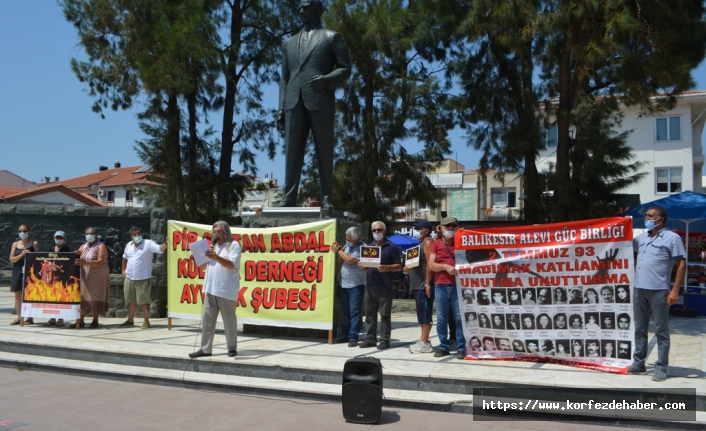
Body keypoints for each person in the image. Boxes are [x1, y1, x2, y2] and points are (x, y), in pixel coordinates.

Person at [275, 0, 351, 207]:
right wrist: (281, 108)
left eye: (306, 7)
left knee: (324, 152)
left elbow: (345, 68)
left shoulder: (331, 37)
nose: (301, 10)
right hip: (293, 102)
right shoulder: (288, 44)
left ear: (317, 10)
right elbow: (284, 78)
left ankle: (327, 198)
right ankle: (289, 197)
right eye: (299, 7)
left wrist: (327, 80)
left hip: (320, 100)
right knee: (292, 153)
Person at [629, 205, 686, 381]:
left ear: (660, 219)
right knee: (640, 329)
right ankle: (639, 362)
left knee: (661, 330)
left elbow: (682, 263)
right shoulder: (641, 239)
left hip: (659, 290)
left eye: (650, 216)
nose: (646, 218)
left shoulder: (672, 238)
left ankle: (661, 366)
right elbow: (622, 247)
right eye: (646, 215)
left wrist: (675, 290)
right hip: (639, 289)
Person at [189, 221, 242, 359]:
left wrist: (216, 257)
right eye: (214, 232)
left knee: (229, 320)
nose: (216, 234)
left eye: (219, 232)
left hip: (226, 289)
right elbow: (203, 267)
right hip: (210, 288)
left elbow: (231, 265)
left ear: (226, 233)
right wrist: (199, 257)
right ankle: (205, 349)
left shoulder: (234, 245)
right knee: (207, 319)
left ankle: (232, 348)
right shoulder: (212, 247)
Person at [359, 221, 401, 350]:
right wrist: (363, 266)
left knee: (385, 315)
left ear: (384, 231)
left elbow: (399, 265)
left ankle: (384, 339)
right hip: (370, 284)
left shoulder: (392, 246)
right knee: (370, 315)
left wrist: (387, 267)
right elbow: (367, 266)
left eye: (379, 230)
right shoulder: (369, 247)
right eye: (374, 230)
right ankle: (370, 339)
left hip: (385, 286)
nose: (377, 232)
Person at [428, 217, 465, 359]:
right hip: (441, 285)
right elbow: (431, 265)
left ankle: (461, 346)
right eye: (447, 226)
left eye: (452, 226)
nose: (450, 228)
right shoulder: (436, 244)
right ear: (441, 228)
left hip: (458, 285)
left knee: (459, 318)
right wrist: (445, 267)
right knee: (442, 318)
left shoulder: (461, 242)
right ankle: (443, 346)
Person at [120, 227, 167, 330]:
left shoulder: (148, 243)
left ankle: (146, 321)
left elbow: (159, 249)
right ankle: (130, 320)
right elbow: (124, 258)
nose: (137, 236)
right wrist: (123, 270)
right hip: (130, 277)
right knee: (130, 300)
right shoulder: (129, 245)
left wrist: (166, 243)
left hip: (143, 278)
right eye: (135, 234)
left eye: (139, 233)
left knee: (143, 301)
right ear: (131, 236)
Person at [403, 220, 434, 354]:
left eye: (417, 228)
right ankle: (423, 339)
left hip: (423, 285)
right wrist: (408, 268)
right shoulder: (419, 245)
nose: (414, 231)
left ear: (425, 230)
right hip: (417, 286)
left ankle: (425, 343)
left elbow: (429, 264)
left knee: (425, 315)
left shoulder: (428, 243)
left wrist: (427, 283)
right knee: (421, 316)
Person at [332, 227, 365, 347]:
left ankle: (353, 337)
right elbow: (341, 262)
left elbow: (350, 260)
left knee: (354, 313)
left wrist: (338, 251)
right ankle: (347, 334)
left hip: (356, 285)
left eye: (349, 238)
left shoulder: (362, 247)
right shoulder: (347, 247)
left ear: (356, 239)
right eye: (346, 238)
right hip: (344, 284)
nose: (347, 240)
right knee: (346, 312)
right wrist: (341, 249)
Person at [75, 228, 110, 328]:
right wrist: (76, 254)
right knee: (82, 297)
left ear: (96, 235)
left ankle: (95, 320)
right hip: (85, 276)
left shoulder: (101, 246)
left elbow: (100, 261)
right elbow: (79, 257)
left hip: (97, 275)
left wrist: (85, 263)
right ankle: (80, 320)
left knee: (96, 296)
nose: (89, 235)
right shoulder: (83, 246)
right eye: (87, 234)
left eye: (91, 234)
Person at [9, 224, 39, 325]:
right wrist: (21, 255)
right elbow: (12, 259)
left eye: (25, 231)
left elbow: (38, 259)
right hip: (17, 270)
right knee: (18, 294)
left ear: (29, 232)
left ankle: (30, 318)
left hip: (29, 271)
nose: (22, 233)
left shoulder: (34, 244)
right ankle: (19, 317)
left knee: (29, 294)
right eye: (20, 231)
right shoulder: (15, 244)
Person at [43, 231, 70, 327]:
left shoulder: (66, 249)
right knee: (52, 296)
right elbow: (46, 260)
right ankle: (52, 318)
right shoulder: (51, 248)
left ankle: (61, 318)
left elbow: (67, 262)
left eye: (60, 237)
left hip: (61, 276)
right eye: (57, 237)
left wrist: (58, 267)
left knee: (60, 296)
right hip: (51, 275)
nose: (58, 239)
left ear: (64, 239)